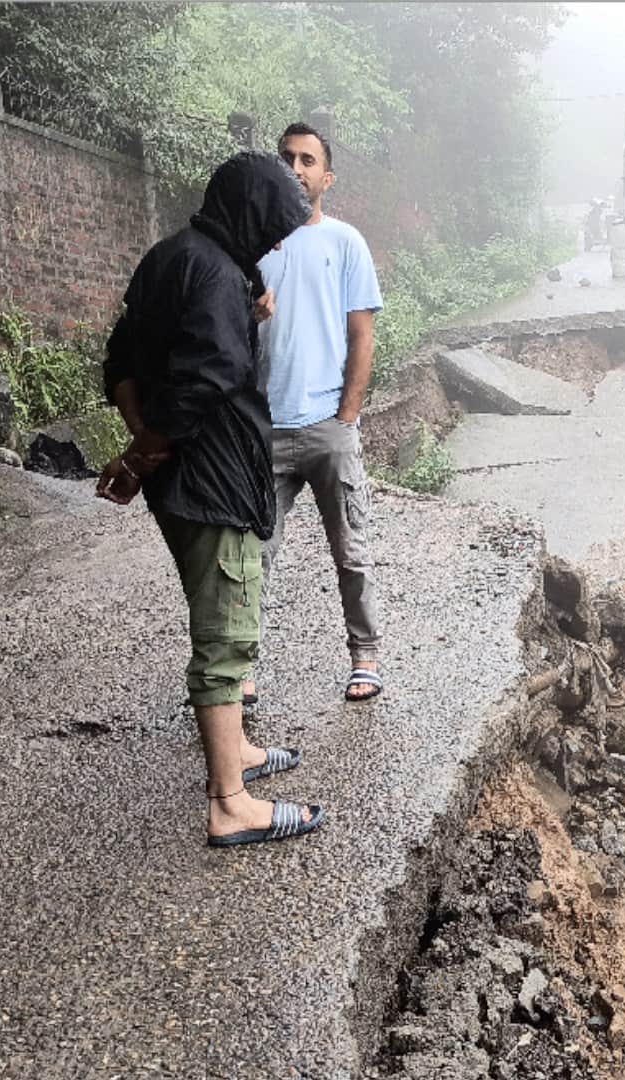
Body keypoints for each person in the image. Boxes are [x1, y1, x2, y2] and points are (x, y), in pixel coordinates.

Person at [96, 150, 323, 848]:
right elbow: (204, 380)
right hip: (212, 483)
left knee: (223, 612)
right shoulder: (220, 275)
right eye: (274, 222)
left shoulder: (170, 256)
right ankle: (230, 801)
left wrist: (145, 450)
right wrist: (141, 456)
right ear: (248, 210)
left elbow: (121, 363)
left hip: (180, 483)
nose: (279, 239)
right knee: (226, 633)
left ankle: (240, 754)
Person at [253, 121, 387, 705]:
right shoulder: (253, 244)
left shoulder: (345, 242)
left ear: (325, 177)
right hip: (265, 427)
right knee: (250, 554)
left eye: (308, 160)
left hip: (327, 425)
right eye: (287, 157)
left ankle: (365, 655)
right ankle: (240, 669)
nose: (296, 167)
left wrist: (346, 415)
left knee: (351, 551)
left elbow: (363, 336)